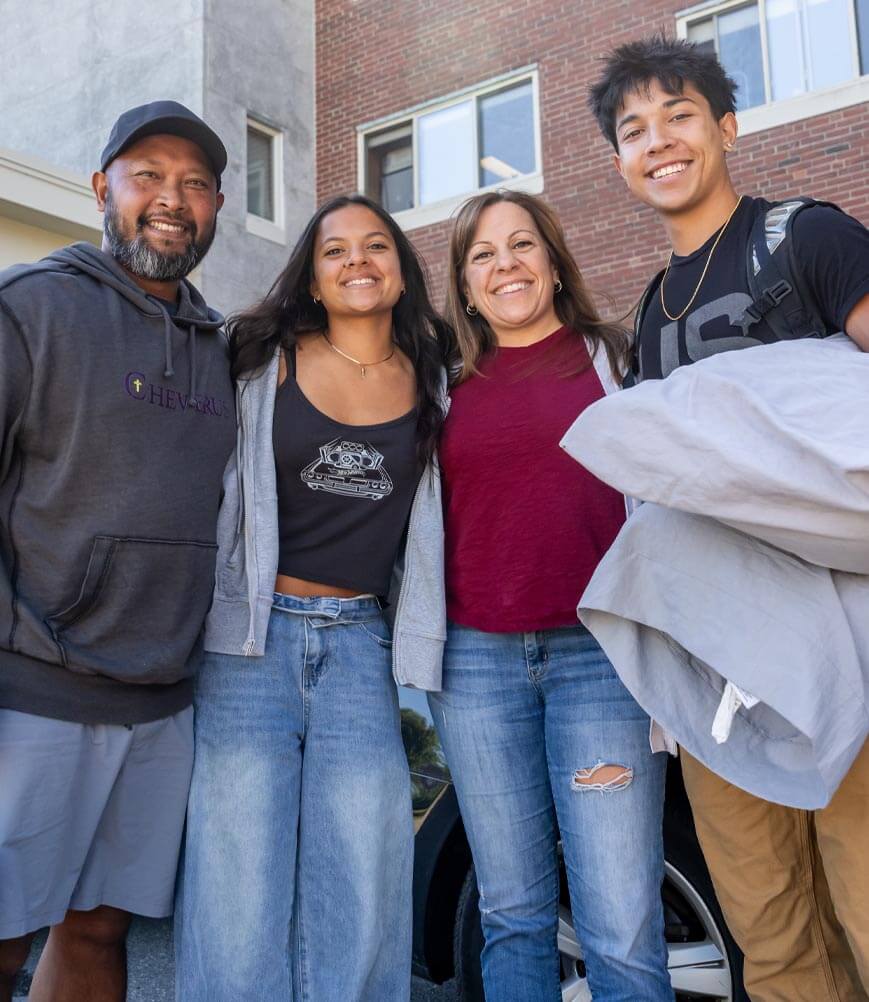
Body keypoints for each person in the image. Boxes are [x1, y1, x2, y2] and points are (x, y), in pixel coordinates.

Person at [588, 36, 869, 1001]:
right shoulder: (652, 312)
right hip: (721, 669)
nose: (658, 142)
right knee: (769, 928)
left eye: (679, 116)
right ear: (618, 162)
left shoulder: (806, 236)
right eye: (633, 131)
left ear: (726, 126)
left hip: (847, 643)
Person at [174, 193, 451, 1002]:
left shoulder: (437, 386)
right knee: (239, 879)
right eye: (335, 251)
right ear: (314, 276)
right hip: (248, 645)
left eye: (375, 247)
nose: (356, 260)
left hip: (361, 647)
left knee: (364, 869)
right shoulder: (256, 359)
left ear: (400, 274)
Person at [0, 101, 233, 1002]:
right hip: (33, 696)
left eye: (195, 184)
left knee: (100, 932)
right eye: (148, 177)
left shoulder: (221, 350)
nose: (171, 200)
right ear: (104, 190)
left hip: (163, 705)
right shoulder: (32, 309)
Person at [428, 189, 674, 1002]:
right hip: (475, 668)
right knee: (511, 913)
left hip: (598, 663)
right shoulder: (440, 384)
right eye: (483, 254)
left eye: (522, 245)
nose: (506, 265)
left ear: (553, 260)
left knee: (621, 923)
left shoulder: (614, 359)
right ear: (464, 284)